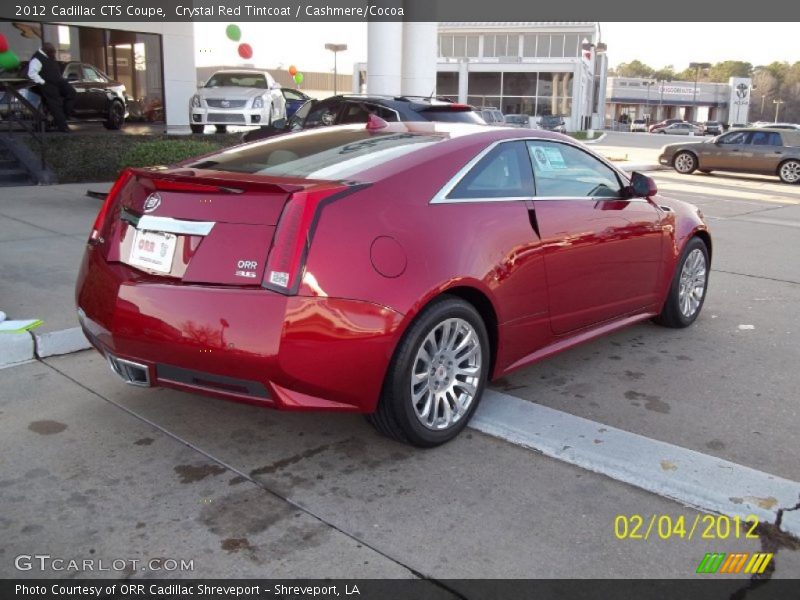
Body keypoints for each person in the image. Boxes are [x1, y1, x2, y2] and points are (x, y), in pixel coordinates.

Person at [27, 42, 76, 132]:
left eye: (53, 53)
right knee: (56, 104)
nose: (53, 55)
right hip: (48, 84)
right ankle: (63, 126)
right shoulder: (37, 59)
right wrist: (43, 82)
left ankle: (63, 116)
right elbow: (32, 74)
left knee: (72, 93)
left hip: (59, 81)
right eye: (52, 53)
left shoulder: (50, 56)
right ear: (45, 51)